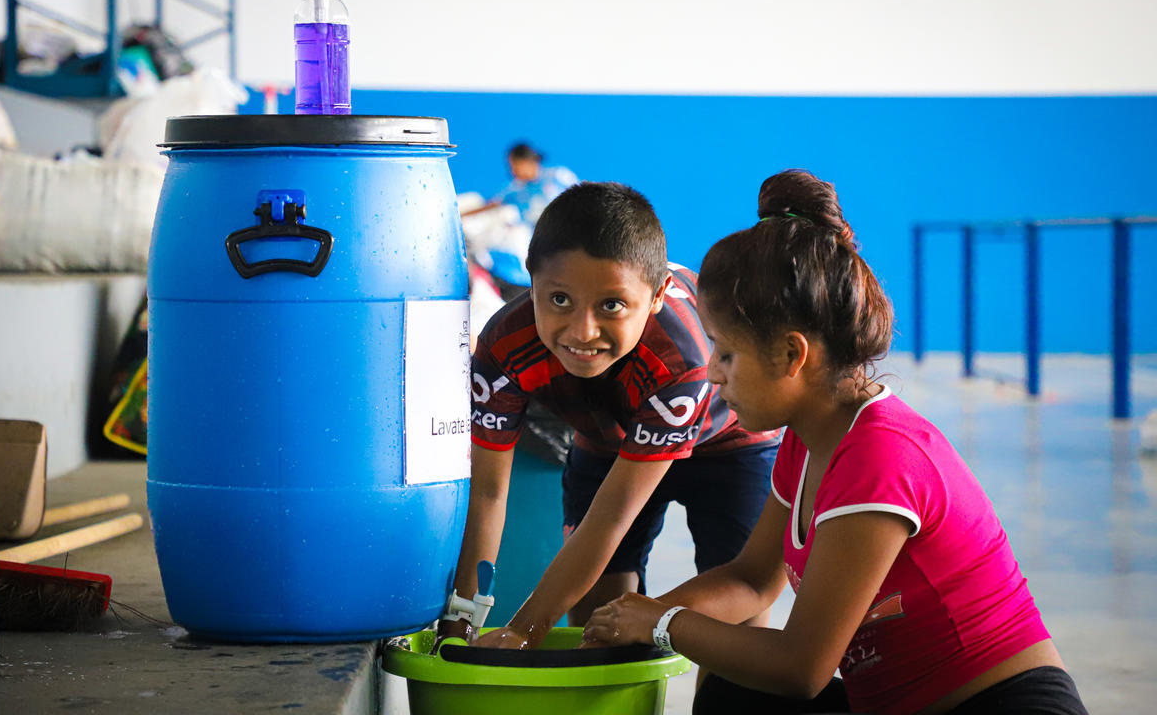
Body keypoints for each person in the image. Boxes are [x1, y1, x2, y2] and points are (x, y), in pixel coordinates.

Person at [582, 170, 1088, 714]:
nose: (711, 374)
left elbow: (800, 668)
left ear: (791, 356)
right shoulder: (807, 441)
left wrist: (663, 623)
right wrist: (637, 614)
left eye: (726, 353)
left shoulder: (880, 456)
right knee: (734, 695)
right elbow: (752, 581)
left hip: (1001, 705)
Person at [440, 181, 782, 649]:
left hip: (731, 445)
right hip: (608, 442)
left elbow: (611, 518)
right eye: (559, 299)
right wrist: (461, 621)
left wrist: (524, 630)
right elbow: (488, 492)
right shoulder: (504, 346)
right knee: (599, 625)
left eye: (612, 305)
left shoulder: (682, 358)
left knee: (734, 632)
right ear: (531, 277)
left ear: (658, 294)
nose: (583, 331)